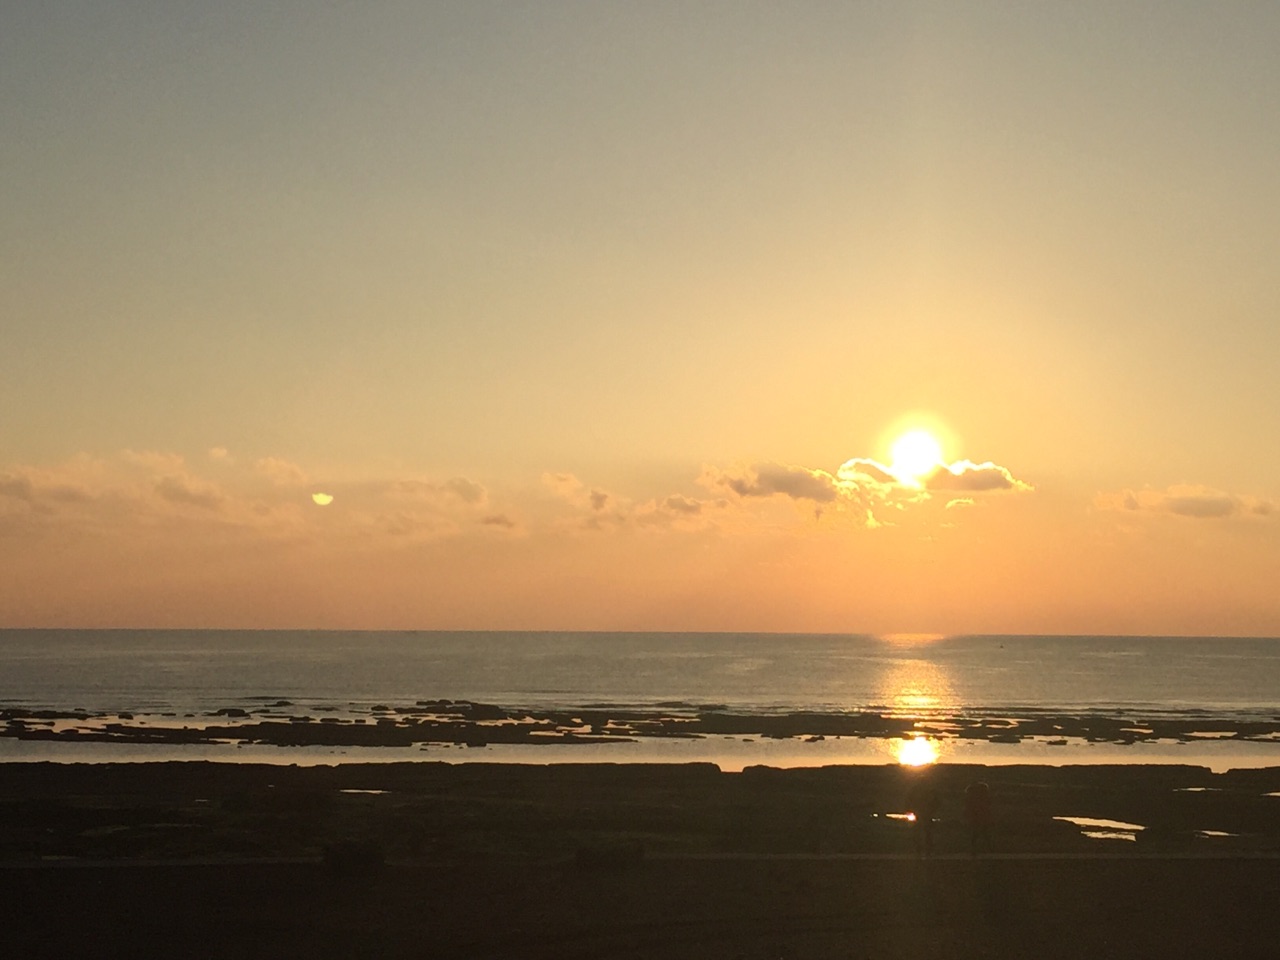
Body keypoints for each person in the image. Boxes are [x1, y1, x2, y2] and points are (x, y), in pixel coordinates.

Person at [964, 779, 992, 856]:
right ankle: (988, 849)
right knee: (983, 832)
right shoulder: (983, 797)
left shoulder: (971, 796)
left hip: (976, 815)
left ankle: (975, 849)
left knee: (976, 833)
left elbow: (968, 807)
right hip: (981, 815)